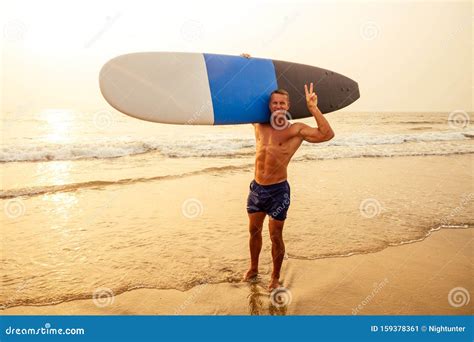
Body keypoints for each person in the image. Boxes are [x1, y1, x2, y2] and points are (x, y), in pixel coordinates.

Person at [241, 54, 335, 290]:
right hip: (256, 188)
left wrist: (313, 108)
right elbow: (243, 98)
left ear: (289, 106)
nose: (278, 107)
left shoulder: (296, 130)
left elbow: (326, 134)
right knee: (253, 231)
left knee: (275, 236)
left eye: (282, 103)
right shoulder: (258, 124)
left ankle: (274, 276)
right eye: (275, 103)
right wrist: (248, 66)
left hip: (278, 191)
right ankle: (253, 268)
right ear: (270, 105)